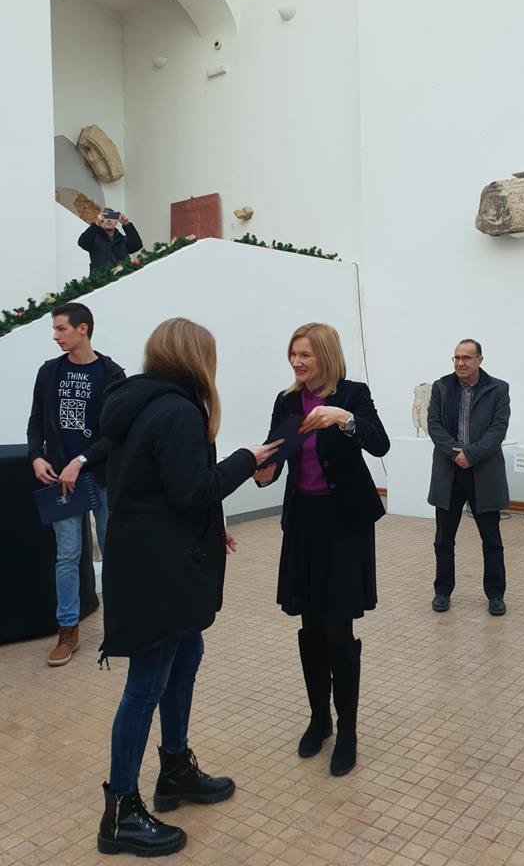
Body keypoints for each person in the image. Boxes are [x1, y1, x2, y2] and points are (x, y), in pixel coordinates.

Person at [96, 317, 280, 858]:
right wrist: (246, 460)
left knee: (187, 652)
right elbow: (192, 490)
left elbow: (154, 487)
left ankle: (174, 768)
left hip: (152, 555)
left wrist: (208, 526)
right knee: (146, 683)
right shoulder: (176, 411)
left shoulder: (142, 402)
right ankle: (120, 814)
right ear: (197, 358)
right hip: (159, 568)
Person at [254, 322, 390, 777]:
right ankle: (319, 719)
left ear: (325, 356)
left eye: (305, 355)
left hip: (344, 523)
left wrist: (343, 419)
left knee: (337, 628)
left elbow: (380, 442)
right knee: (310, 626)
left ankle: (348, 728)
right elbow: (275, 453)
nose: (296, 362)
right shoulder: (287, 401)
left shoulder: (352, 394)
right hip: (304, 522)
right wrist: (264, 471)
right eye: (293, 354)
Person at [27, 302, 125, 667]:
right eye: (55, 329)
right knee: (67, 556)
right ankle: (68, 630)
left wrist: (80, 460)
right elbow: (36, 422)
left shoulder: (112, 374)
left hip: (102, 478)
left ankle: (121, 625)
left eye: (61, 329)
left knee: (114, 551)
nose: (55, 336)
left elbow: (116, 433)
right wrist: (37, 457)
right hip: (61, 482)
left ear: (83, 329)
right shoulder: (49, 372)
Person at [427, 339, 510, 615]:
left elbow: (498, 429)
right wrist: (456, 455)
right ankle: (442, 591)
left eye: (466, 358)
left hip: (483, 473)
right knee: (444, 539)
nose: (460, 363)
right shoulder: (441, 387)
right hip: (449, 472)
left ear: (479, 360)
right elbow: (434, 425)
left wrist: (471, 454)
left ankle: (495, 594)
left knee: (491, 540)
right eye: (456, 358)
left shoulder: (498, 389)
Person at [78, 208, 143, 272]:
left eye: (112, 217)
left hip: (124, 275)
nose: (108, 220)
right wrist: (96, 224)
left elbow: (137, 245)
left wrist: (127, 224)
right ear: (100, 220)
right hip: (102, 277)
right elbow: (83, 243)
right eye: (105, 217)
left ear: (116, 222)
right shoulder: (93, 239)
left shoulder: (122, 239)